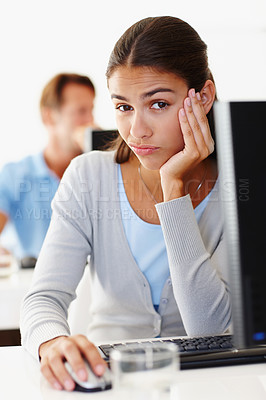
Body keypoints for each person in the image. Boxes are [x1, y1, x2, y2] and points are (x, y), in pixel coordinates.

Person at [21, 16, 231, 391]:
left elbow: (210, 329)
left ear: (203, 97)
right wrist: (52, 342)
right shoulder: (88, 177)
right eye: (123, 107)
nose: (137, 131)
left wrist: (173, 187)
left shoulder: (236, 188)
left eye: (159, 104)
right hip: (107, 382)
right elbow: (44, 298)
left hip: (211, 385)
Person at [0, 73, 96, 261]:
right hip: (30, 282)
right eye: (81, 111)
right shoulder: (15, 175)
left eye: (91, 110)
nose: (90, 121)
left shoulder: (98, 170)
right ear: (49, 117)